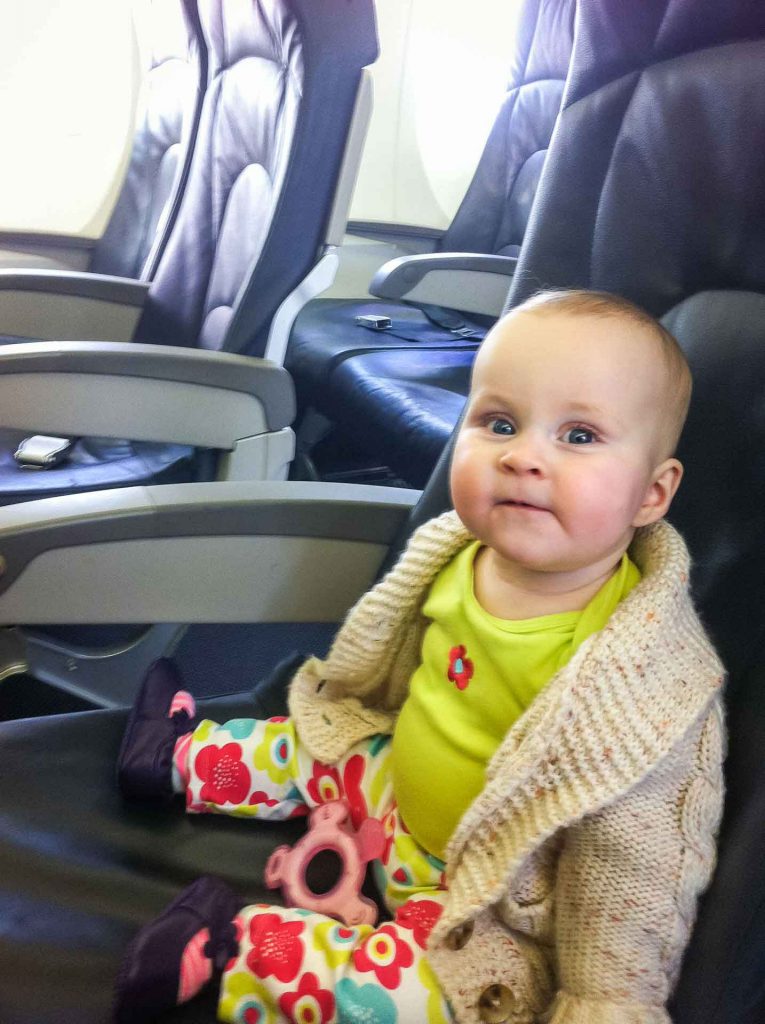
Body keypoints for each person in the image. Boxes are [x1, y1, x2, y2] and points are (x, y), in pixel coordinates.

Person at [115, 289, 726, 1024]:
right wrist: (347, 730)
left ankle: (228, 950)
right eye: (498, 423)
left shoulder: (646, 685)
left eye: (580, 437)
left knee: (434, 997)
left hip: (480, 901)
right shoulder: (455, 553)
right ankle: (177, 758)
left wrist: (603, 999)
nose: (523, 455)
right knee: (324, 740)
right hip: (393, 792)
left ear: (650, 494)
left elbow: (632, 872)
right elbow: (386, 687)